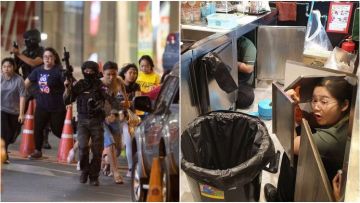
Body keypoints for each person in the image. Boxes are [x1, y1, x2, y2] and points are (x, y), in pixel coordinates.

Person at [264, 76, 353, 201]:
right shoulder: (343, 116)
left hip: (330, 180)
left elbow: (292, 145)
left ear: (344, 105)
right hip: (335, 167)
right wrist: (295, 107)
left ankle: (281, 199)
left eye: (324, 102)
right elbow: (310, 120)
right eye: (314, 100)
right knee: (302, 132)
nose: (316, 106)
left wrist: (286, 108)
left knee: (292, 154)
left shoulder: (334, 138)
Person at [64, 61, 118, 186]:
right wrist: (67, 88)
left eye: (91, 71)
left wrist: (113, 113)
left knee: (97, 151)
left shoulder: (100, 86)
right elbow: (67, 100)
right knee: (82, 147)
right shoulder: (80, 85)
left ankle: (94, 176)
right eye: (86, 70)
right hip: (82, 122)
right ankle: (84, 171)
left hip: (97, 122)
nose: (88, 73)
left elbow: (113, 100)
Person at [10, 29, 51, 149]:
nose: (26, 42)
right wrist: (15, 58)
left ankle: (44, 139)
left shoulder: (42, 51)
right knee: (19, 109)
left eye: (28, 40)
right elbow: (17, 68)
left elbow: (34, 63)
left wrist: (19, 55)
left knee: (43, 109)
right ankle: (13, 133)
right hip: (27, 83)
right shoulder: (25, 52)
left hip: (40, 84)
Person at [25, 47, 66, 159]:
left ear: (54, 58)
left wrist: (68, 83)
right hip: (42, 105)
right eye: (45, 57)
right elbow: (26, 83)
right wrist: (20, 94)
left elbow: (67, 85)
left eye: (50, 57)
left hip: (57, 107)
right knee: (38, 128)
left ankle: (76, 142)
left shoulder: (58, 71)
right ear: (43, 58)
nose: (47, 59)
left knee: (57, 130)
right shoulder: (38, 71)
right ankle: (38, 151)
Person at [1, 57, 26, 163]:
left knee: (12, 136)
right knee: (4, 133)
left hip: (14, 111)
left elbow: (22, 97)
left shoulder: (19, 80)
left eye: (9, 66)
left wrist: (21, 113)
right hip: (1, 109)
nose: (6, 69)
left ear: (14, 68)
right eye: (4, 67)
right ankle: (4, 155)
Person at [101, 109, 123, 184]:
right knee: (110, 143)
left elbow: (119, 106)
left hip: (114, 117)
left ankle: (106, 160)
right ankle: (116, 172)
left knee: (118, 150)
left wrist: (114, 115)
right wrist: (105, 116)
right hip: (101, 119)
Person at [236, 36, 256, 109]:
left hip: (242, 81)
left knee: (246, 99)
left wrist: (229, 61)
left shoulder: (248, 45)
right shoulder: (220, 42)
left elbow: (249, 69)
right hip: (227, 76)